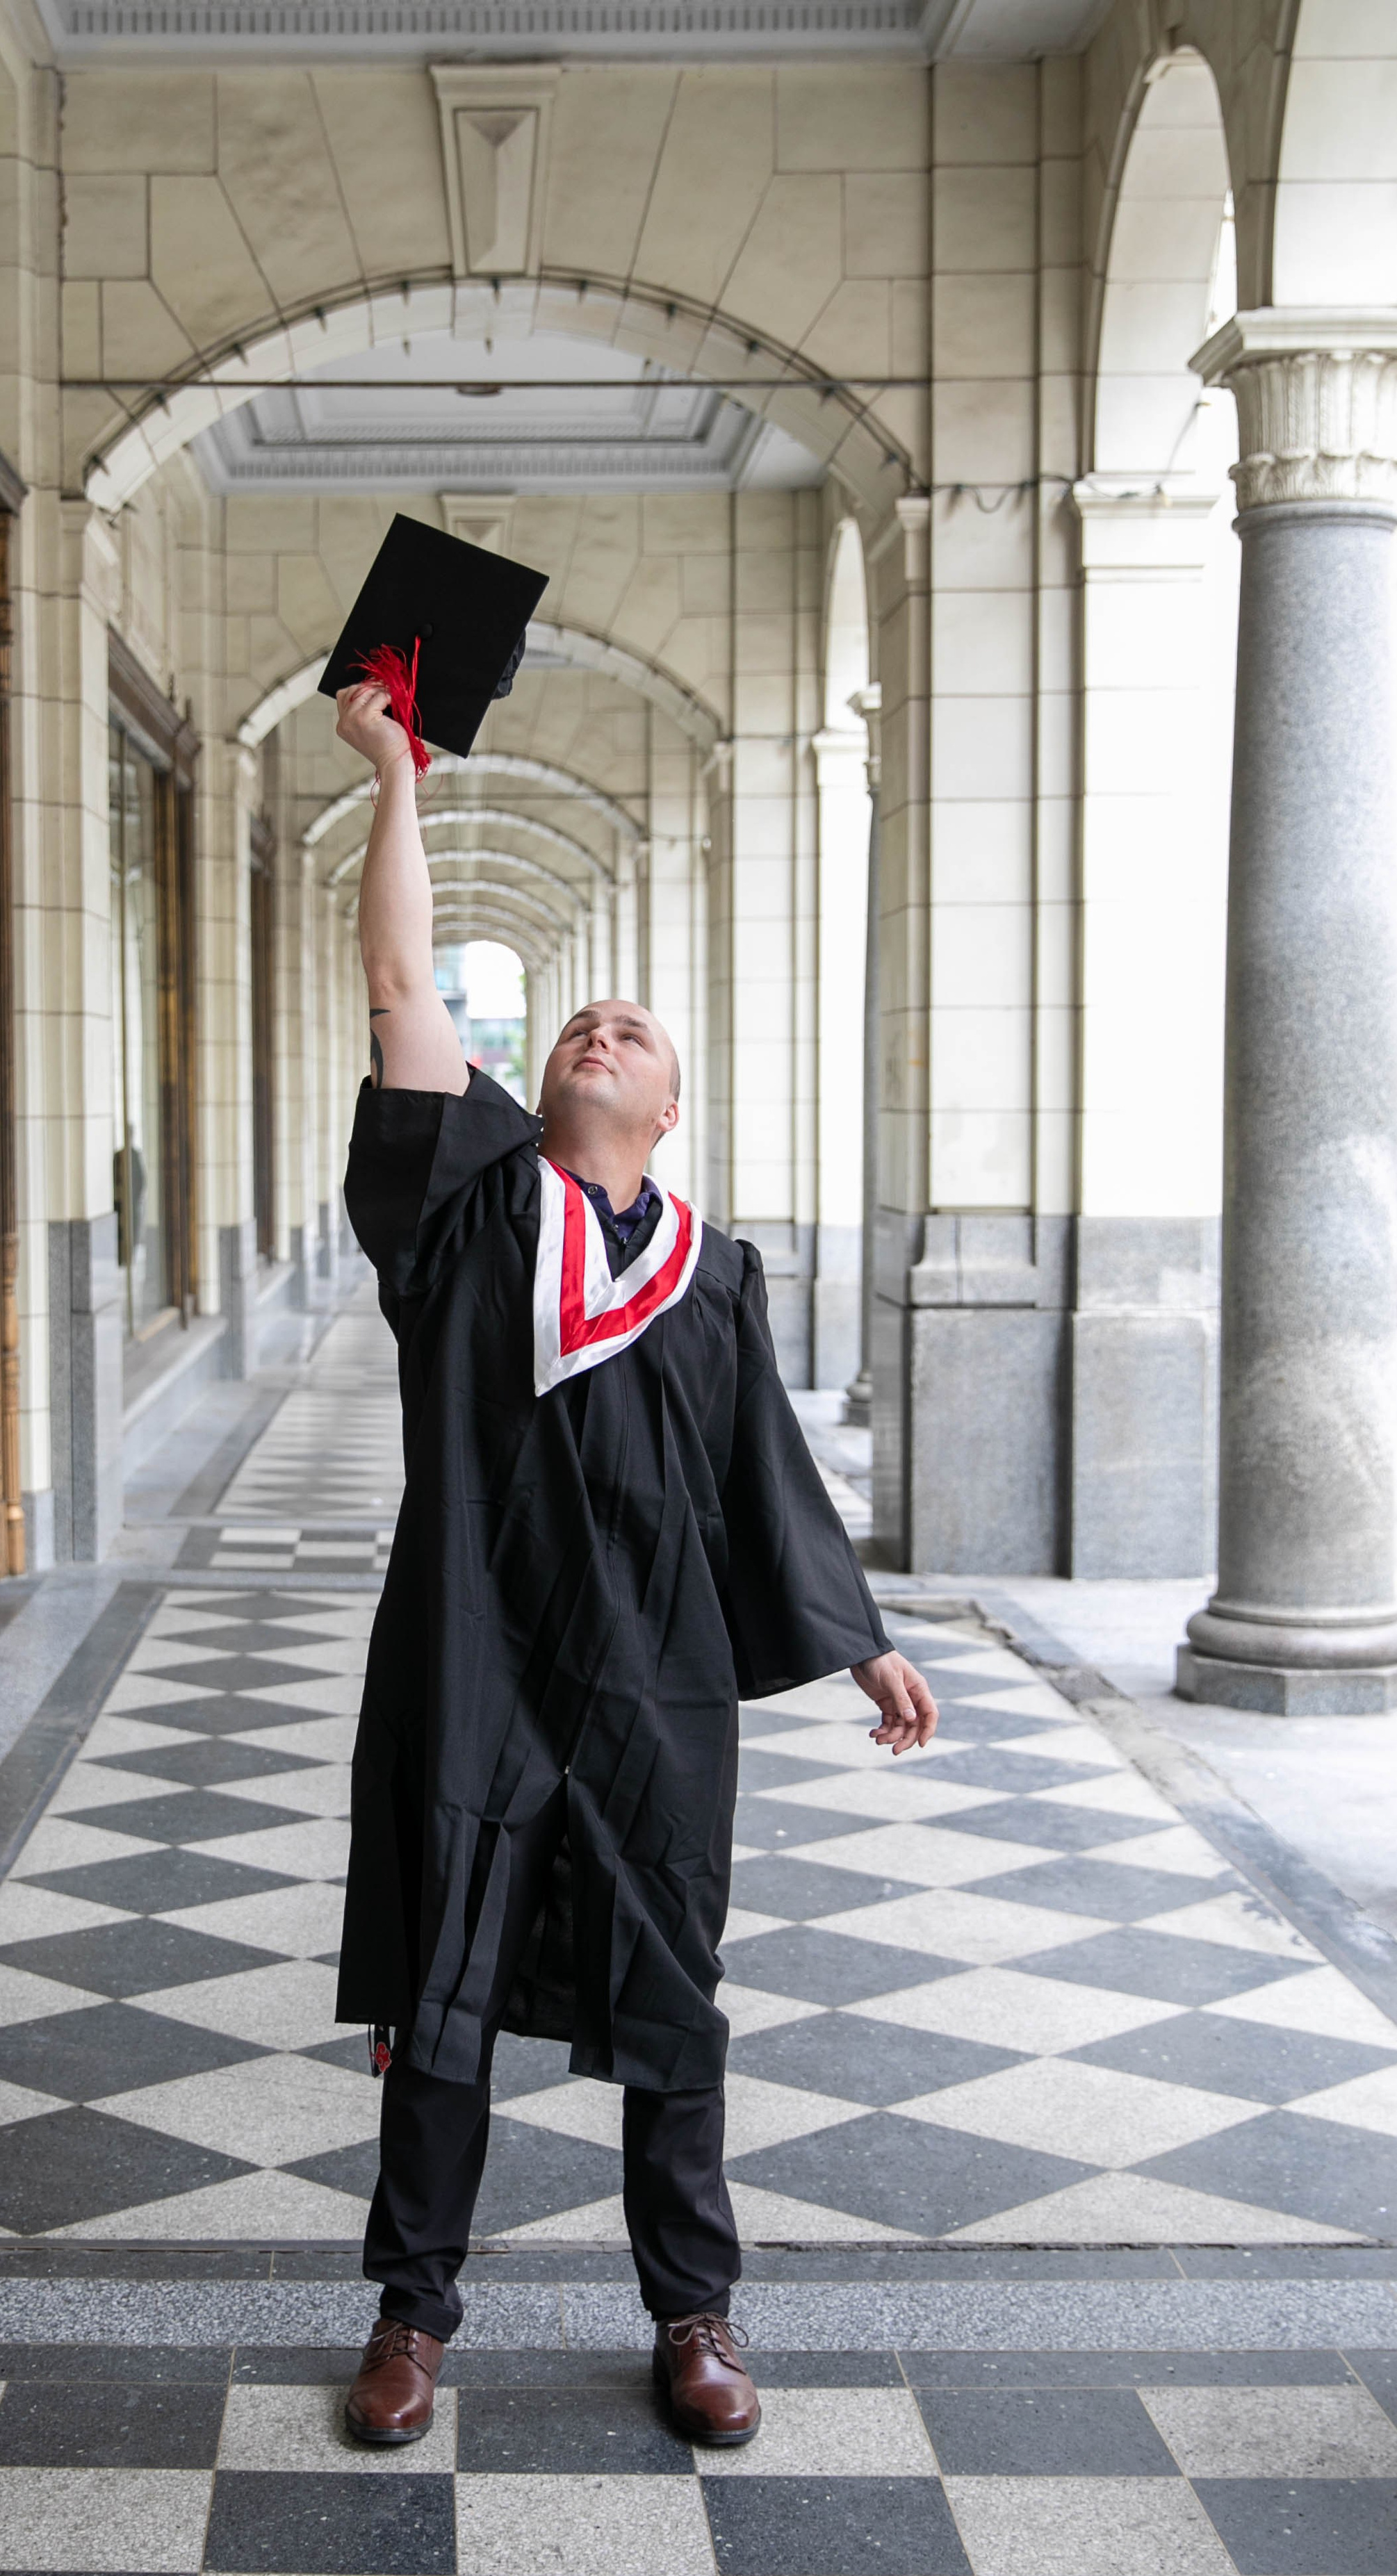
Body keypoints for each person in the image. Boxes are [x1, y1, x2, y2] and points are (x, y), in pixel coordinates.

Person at [332, 674, 938, 2451]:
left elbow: (767, 1476)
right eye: (580, 1021)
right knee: (442, 1990)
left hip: (652, 1685)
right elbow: (394, 987)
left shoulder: (715, 1272)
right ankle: (410, 2314)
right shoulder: (475, 1207)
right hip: (471, 1654)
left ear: (667, 1108)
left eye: (632, 1032)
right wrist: (393, 780)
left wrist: (859, 1644)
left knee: (674, 2001)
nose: (600, 1029)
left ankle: (693, 2311)